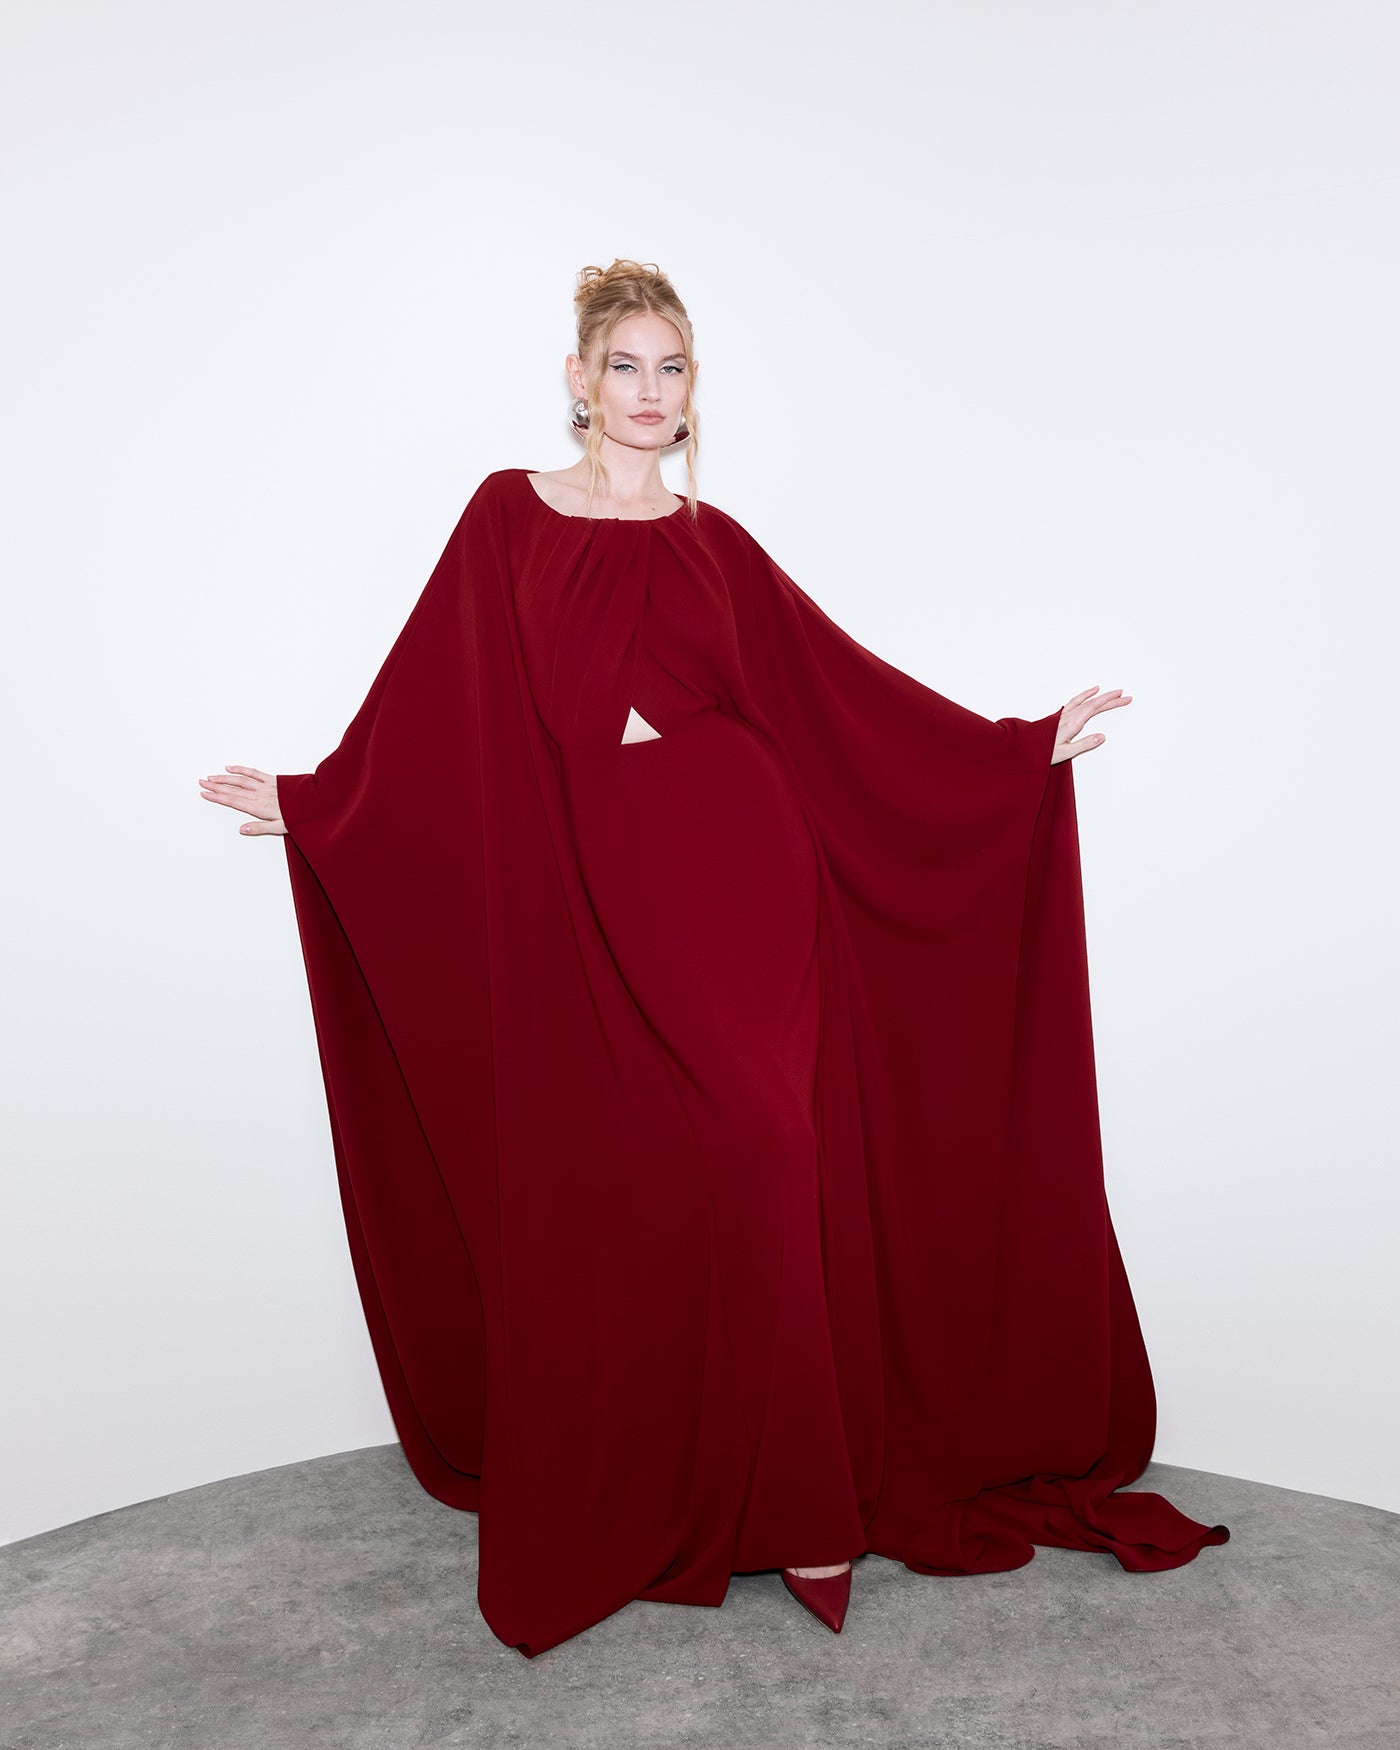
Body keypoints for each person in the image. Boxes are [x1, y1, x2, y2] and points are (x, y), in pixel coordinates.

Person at [198, 258, 1228, 1659]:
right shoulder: (504, 517)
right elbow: (435, 699)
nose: (649, 392)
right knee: (658, 1175)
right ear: (578, 380)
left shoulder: (715, 543)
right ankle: (701, 1468)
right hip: (602, 883)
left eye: (671, 368)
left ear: (693, 390)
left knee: (773, 1142)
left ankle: (808, 1502)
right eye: (625, 365)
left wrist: (1011, 751)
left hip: (747, 868)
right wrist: (325, 800)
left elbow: (834, 693)